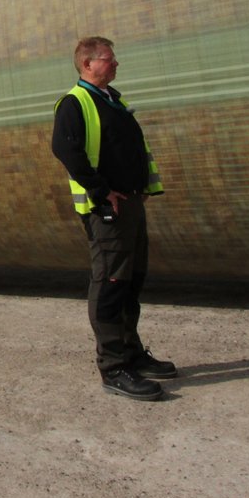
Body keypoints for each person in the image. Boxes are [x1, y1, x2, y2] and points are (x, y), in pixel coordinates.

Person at [51, 36, 175, 401]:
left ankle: (131, 353)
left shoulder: (112, 100)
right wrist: (100, 190)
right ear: (87, 64)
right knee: (110, 283)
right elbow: (65, 149)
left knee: (131, 281)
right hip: (108, 210)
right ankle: (113, 367)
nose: (116, 63)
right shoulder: (75, 102)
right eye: (109, 58)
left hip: (130, 206)